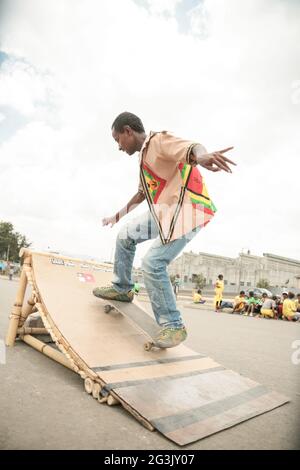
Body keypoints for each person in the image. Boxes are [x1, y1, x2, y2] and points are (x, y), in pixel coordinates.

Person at [93, 112, 235, 348]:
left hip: (188, 211)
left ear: (128, 131)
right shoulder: (143, 160)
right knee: (125, 236)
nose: (118, 147)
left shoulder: (157, 141)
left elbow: (191, 147)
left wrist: (201, 157)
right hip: (164, 211)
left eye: (118, 140)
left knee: (152, 263)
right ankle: (122, 288)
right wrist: (116, 216)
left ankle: (173, 326)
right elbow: (141, 194)